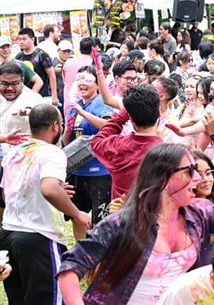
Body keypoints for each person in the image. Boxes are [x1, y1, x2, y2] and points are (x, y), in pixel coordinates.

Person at [57, 143, 214, 304]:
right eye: (189, 172)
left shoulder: (199, 216)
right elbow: (71, 267)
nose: (199, 180)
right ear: (163, 178)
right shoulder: (122, 223)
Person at [0, 104, 90, 305]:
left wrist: (56, 192)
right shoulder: (52, 153)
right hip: (38, 237)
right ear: (56, 126)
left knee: (19, 300)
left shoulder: (14, 152)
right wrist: (78, 214)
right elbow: (49, 189)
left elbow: (9, 194)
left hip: (9, 236)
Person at [63, 65, 115, 238]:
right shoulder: (74, 106)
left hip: (99, 173)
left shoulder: (102, 103)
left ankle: (100, 261)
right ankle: (79, 254)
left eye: (87, 80)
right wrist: (67, 131)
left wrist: (84, 114)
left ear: (98, 84)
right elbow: (67, 142)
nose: (82, 83)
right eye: (79, 79)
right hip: (77, 172)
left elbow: (110, 127)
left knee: (99, 221)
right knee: (77, 217)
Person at [91, 84, 164, 199]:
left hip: (121, 214)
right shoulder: (170, 152)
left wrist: (119, 118)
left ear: (130, 117)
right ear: (159, 112)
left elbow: (97, 143)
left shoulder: (117, 146)